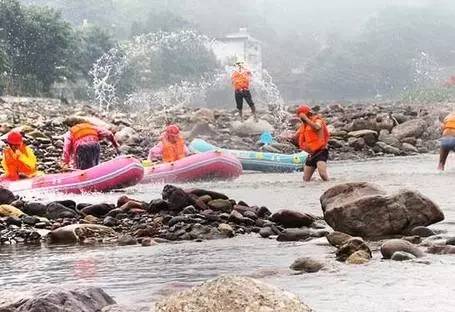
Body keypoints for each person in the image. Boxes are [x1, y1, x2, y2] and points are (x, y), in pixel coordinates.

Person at [295, 104, 330, 182]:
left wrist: (305, 118)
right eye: (300, 116)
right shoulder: (303, 126)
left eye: (301, 115)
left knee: (323, 174)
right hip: (312, 153)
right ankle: (315, 182)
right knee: (305, 179)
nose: (301, 118)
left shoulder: (318, 120)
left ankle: (329, 185)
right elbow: (295, 136)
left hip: (321, 151)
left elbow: (317, 127)